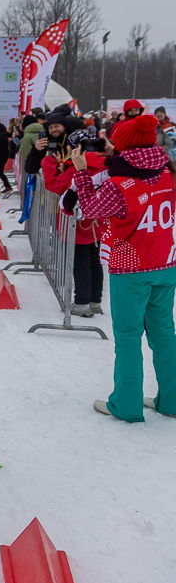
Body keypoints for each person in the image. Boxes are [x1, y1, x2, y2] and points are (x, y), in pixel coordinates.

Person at [71, 115, 176, 422]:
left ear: (125, 146)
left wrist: (81, 173)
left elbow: (89, 209)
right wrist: (112, 151)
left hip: (131, 270)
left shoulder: (119, 184)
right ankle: (170, 399)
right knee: (164, 334)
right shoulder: (167, 170)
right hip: (166, 263)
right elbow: (137, 165)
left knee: (128, 337)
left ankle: (126, 404)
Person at [40, 128, 109, 317]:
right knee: (94, 261)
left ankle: (82, 302)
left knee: (80, 262)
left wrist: (48, 161)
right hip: (97, 221)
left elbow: (53, 184)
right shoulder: (104, 165)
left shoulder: (76, 169)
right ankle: (95, 300)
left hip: (78, 222)